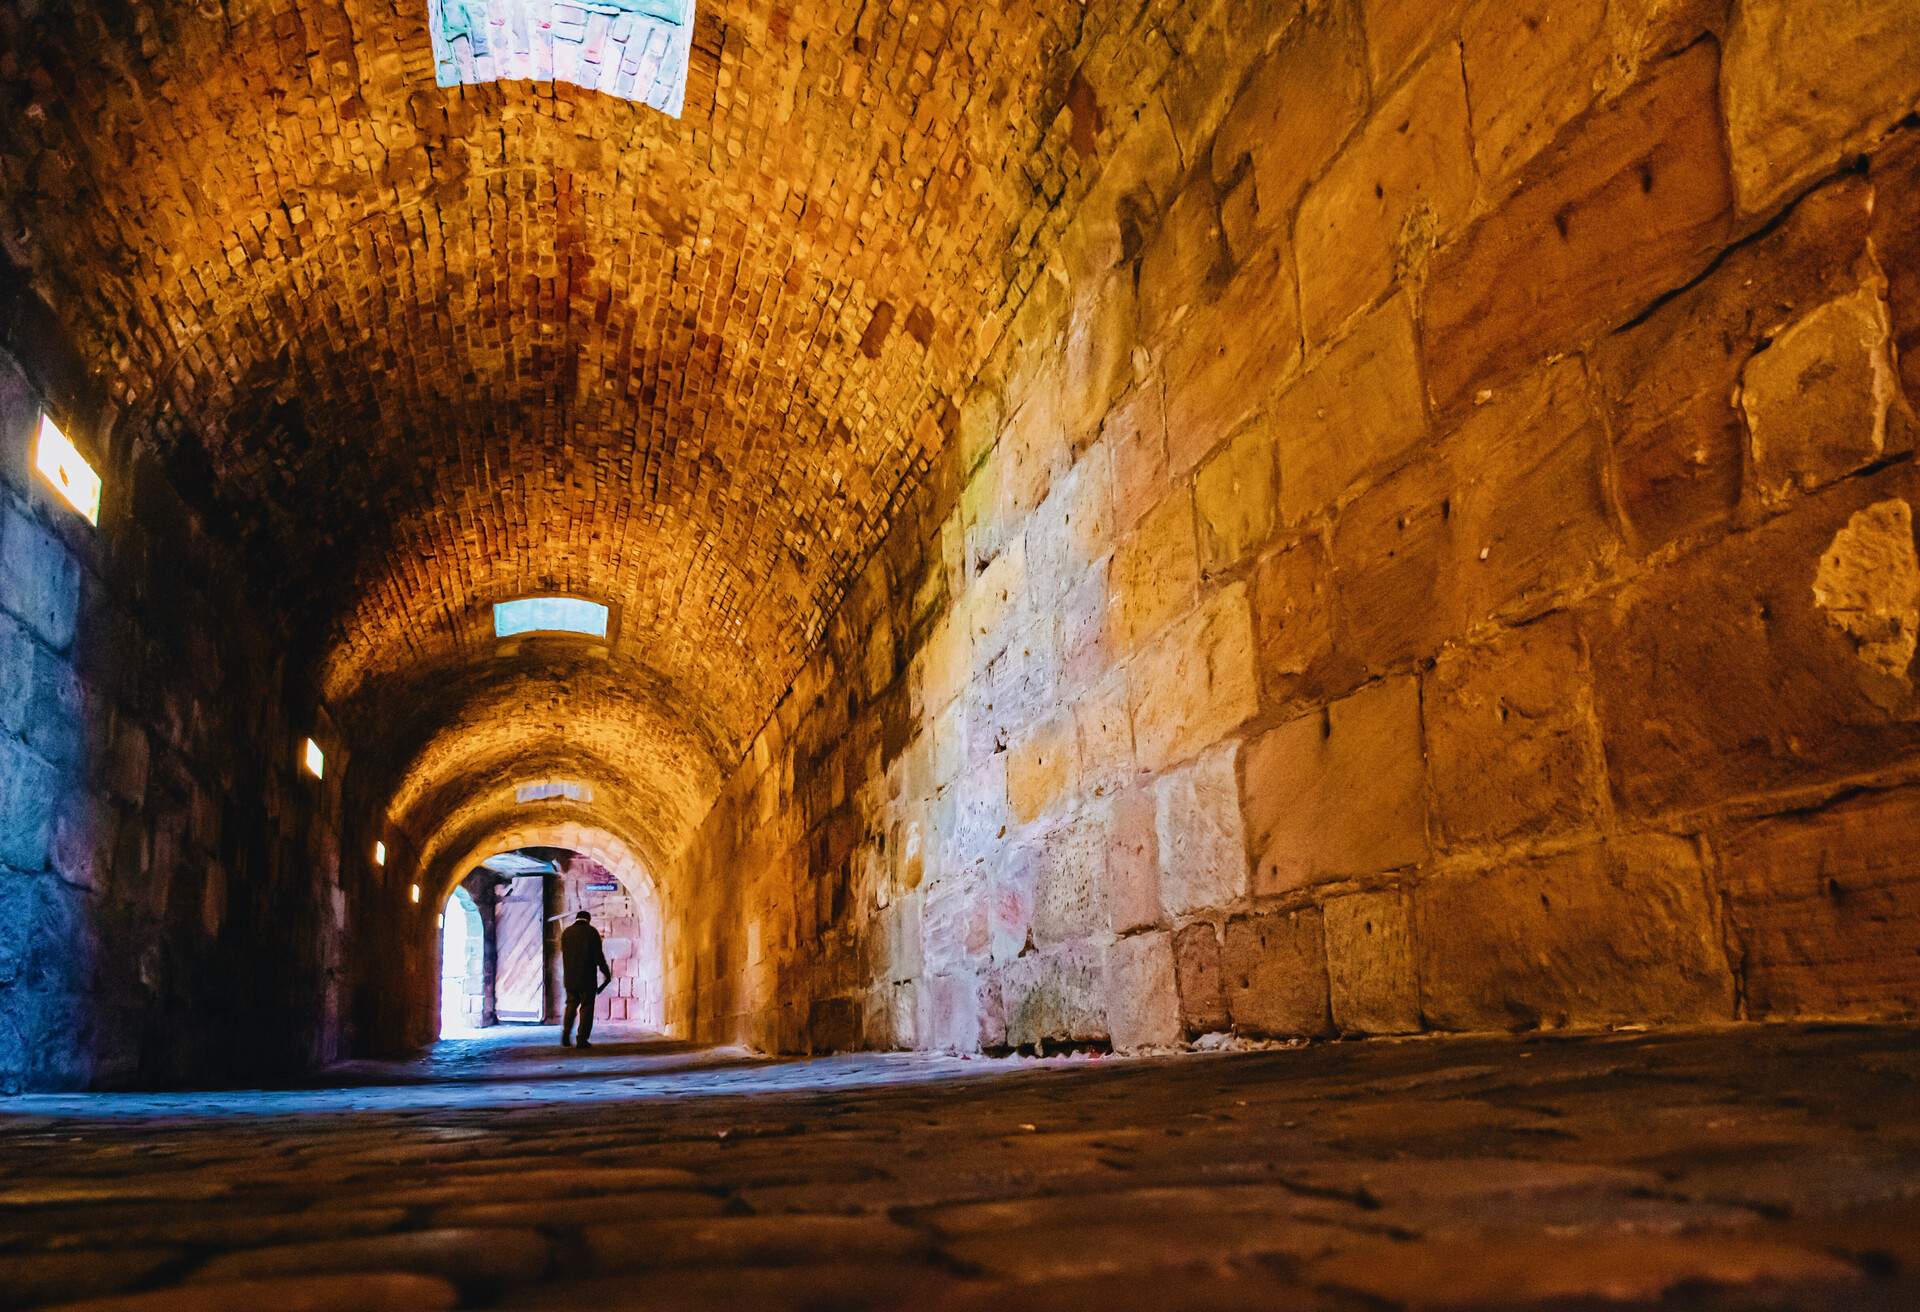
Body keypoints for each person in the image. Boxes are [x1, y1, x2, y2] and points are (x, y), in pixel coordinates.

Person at [559, 910, 613, 1049]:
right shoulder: (591, 932)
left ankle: (565, 1035)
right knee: (587, 1008)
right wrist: (606, 974)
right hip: (587, 978)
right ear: (588, 919)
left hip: (570, 978)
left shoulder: (566, 933)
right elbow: (598, 956)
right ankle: (582, 1039)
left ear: (576, 919)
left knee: (571, 1005)